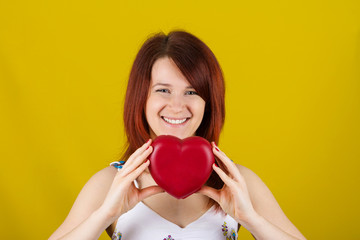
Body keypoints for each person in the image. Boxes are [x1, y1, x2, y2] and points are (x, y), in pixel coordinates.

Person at [49, 31, 306, 240]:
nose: (177, 105)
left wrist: (252, 220)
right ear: (141, 99)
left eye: (192, 92)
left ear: (209, 103)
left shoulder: (236, 182)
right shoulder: (111, 183)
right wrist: (104, 215)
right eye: (163, 90)